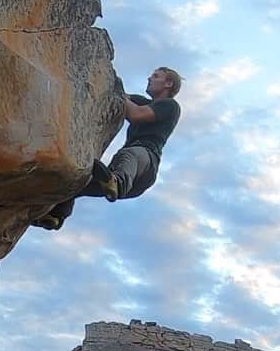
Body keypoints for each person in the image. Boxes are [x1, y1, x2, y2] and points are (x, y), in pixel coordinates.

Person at [34, 67, 182, 229]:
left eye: (155, 76)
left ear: (168, 83)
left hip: (144, 164)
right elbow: (120, 96)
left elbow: (137, 114)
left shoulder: (170, 106)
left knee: (128, 154)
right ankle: (54, 216)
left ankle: (117, 182)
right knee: (78, 182)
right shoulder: (142, 101)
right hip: (124, 170)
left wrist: (121, 96)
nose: (149, 78)